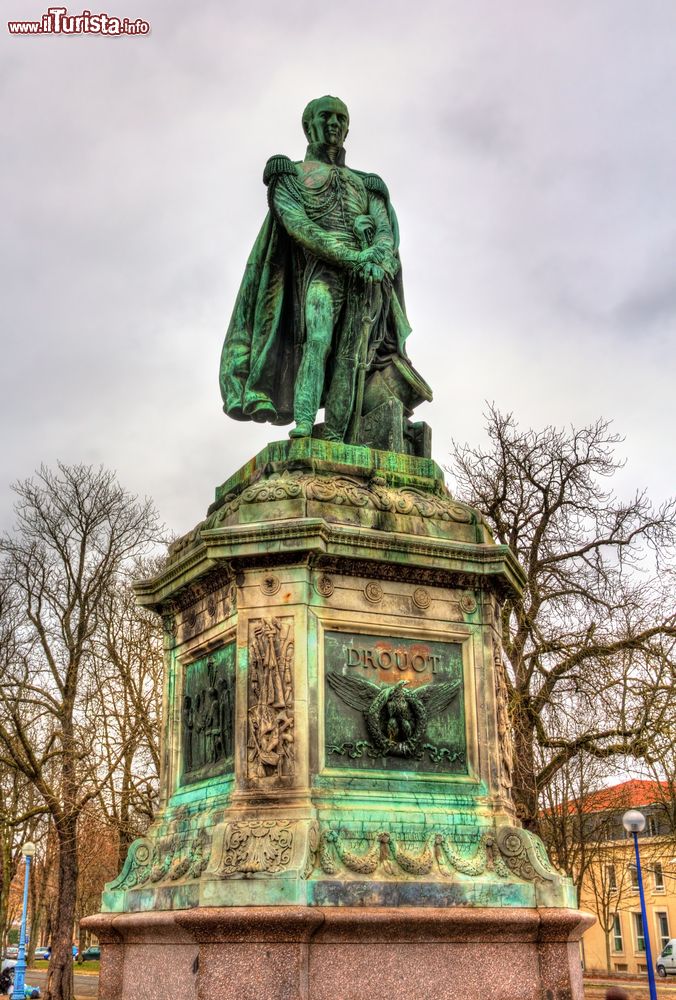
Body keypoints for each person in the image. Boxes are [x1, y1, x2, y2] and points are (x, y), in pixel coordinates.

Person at [220, 95, 430, 446]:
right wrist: (353, 258)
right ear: (309, 125)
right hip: (321, 275)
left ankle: (334, 436)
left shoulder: (368, 184)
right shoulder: (291, 174)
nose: (334, 124)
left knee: (352, 358)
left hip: (366, 282)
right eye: (326, 117)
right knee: (316, 341)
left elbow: (385, 234)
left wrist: (376, 259)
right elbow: (299, 226)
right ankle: (304, 423)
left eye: (341, 118)